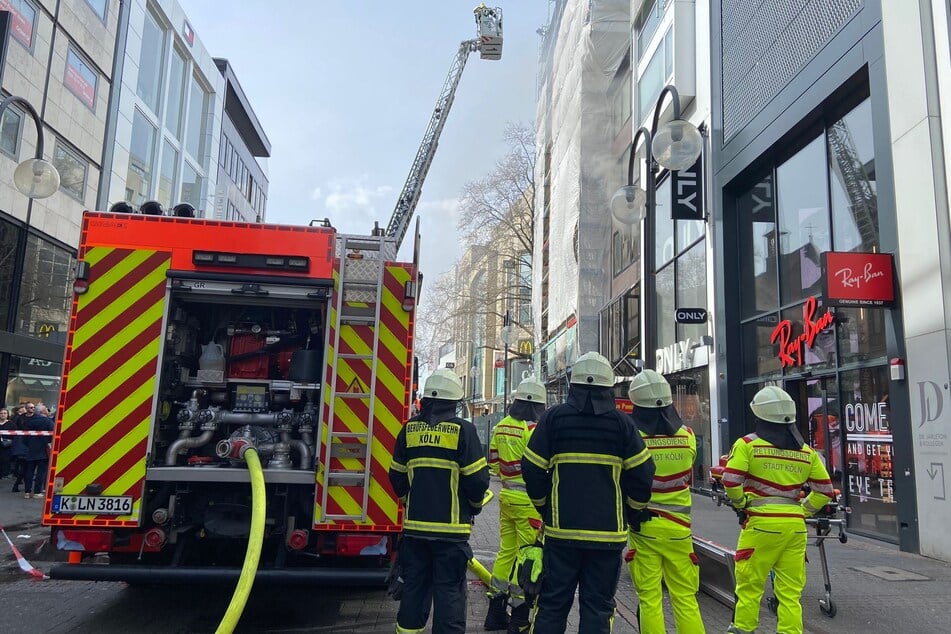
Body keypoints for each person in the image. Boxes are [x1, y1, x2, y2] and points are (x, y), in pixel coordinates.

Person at [522, 351, 655, 633]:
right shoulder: (622, 424)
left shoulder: (554, 419)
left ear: (573, 384)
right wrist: (632, 510)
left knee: (552, 606)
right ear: (608, 387)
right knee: (597, 609)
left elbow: (532, 468)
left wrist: (544, 506)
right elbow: (643, 473)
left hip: (561, 534)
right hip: (608, 536)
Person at [723, 386, 835, 634]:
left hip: (760, 526)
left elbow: (730, 481)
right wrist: (803, 511)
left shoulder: (747, 445)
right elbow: (825, 490)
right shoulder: (806, 452)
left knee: (750, 588)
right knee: (790, 594)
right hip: (795, 529)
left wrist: (741, 504)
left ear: (759, 416)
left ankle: (742, 629)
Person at [388, 369, 490, 634]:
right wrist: (475, 506)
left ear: (426, 400)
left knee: (414, 589)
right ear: (455, 401)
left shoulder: (409, 429)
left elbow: (396, 475)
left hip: (415, 532)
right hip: (451, 534)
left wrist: (407, 500)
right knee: (449, 594)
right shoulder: (463, 431)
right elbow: (477, 480)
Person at [625, 370, 705, 634]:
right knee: (685, 598)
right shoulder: (688, 436)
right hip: (680, 529)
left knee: (649, 598)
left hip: (644, 526)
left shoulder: (633, 439)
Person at [484, 376, 548, 633]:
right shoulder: (533, 431)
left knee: (506, 552)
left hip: (506, 497)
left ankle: (495, 611)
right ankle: (520, 616)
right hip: (529, 504)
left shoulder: (500, 427)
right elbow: (542, 466)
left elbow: (492, 464)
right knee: (526, 557)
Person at [20, 402, 54, 499]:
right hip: (43, 450)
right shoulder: (47, 421)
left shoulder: (29, 421)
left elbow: (24, 436)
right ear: (43, 411)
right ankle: (37, 492)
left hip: (31, 449)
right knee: (40, 472)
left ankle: (27, 492)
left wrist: (29, 445)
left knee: (29, 471)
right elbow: (53, 433)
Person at [9, 404, 28, 493]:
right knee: (23, 466)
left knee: (21, 465)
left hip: (19, 444)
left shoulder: (17, 418)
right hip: (22, 444)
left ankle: (17, 482)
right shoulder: (20, 418)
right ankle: (17, 484)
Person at [0, 408, 12, 479]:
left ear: (7, 415)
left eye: (5, 413)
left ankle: (4, 474)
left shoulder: (11, 424)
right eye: (1, 413)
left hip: (6, 445)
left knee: (4, 460)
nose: (3, 415)